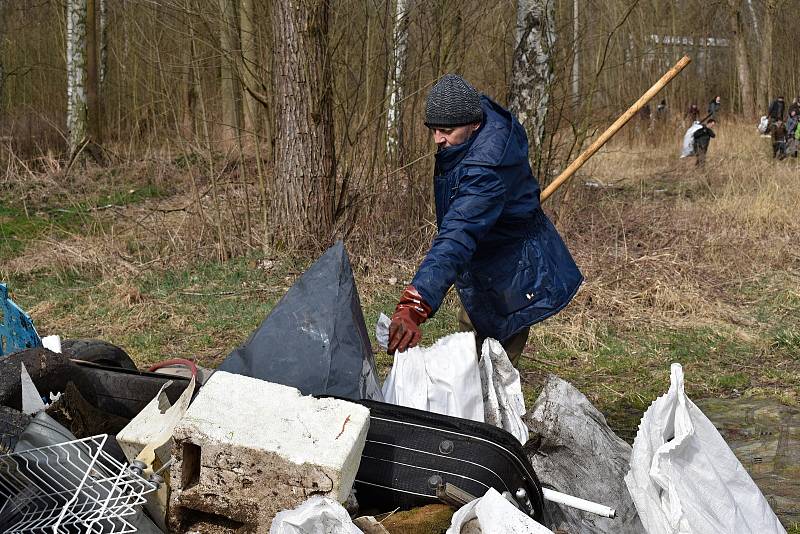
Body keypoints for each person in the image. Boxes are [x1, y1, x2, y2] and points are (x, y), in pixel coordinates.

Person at [386, 74, 583, 365]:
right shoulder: (473, 122)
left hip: (513, 274)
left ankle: (488, 409)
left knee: (493, 369)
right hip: (483, 262)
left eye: (446, 131)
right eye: (434, 129)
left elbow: (458, 232)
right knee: (470, 350)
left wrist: (415, 304)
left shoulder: (486, 168)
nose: (437, 139)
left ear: (473, 124)